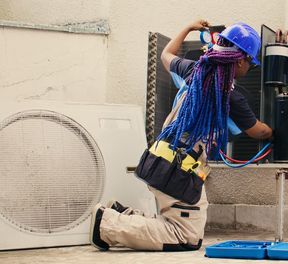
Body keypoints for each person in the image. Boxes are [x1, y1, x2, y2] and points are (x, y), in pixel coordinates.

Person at [89, 20, 272, 251]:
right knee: (186, 236)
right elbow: (258, 131)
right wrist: (277, 132)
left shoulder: (193, 70)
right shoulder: (230, 96)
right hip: (177, 173)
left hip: (161, 161)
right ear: (240, 59)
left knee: (181, 223)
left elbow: (166, 54)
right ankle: (107, 225)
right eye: (250, 63)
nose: (249, 69)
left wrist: (187, 29)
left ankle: (122, 214)